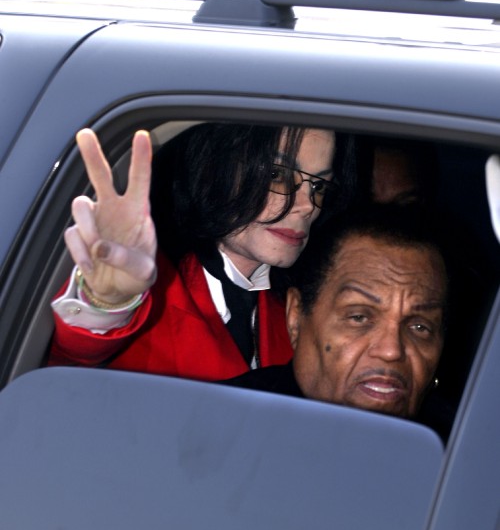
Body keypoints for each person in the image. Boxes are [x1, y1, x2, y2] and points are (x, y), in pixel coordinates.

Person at [49, 122, 355, 381]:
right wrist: (106, 300)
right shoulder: (146, 287)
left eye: (319, 187)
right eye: (277, 175)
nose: (306, 205)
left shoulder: (296, 312)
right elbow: (67, 371)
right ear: (213, 167)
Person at [226, 204, 449, 425]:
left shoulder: (464, 447)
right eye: (359, 317)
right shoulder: (220, 423)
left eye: (420, 327)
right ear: (295, 317)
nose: (391, 351)